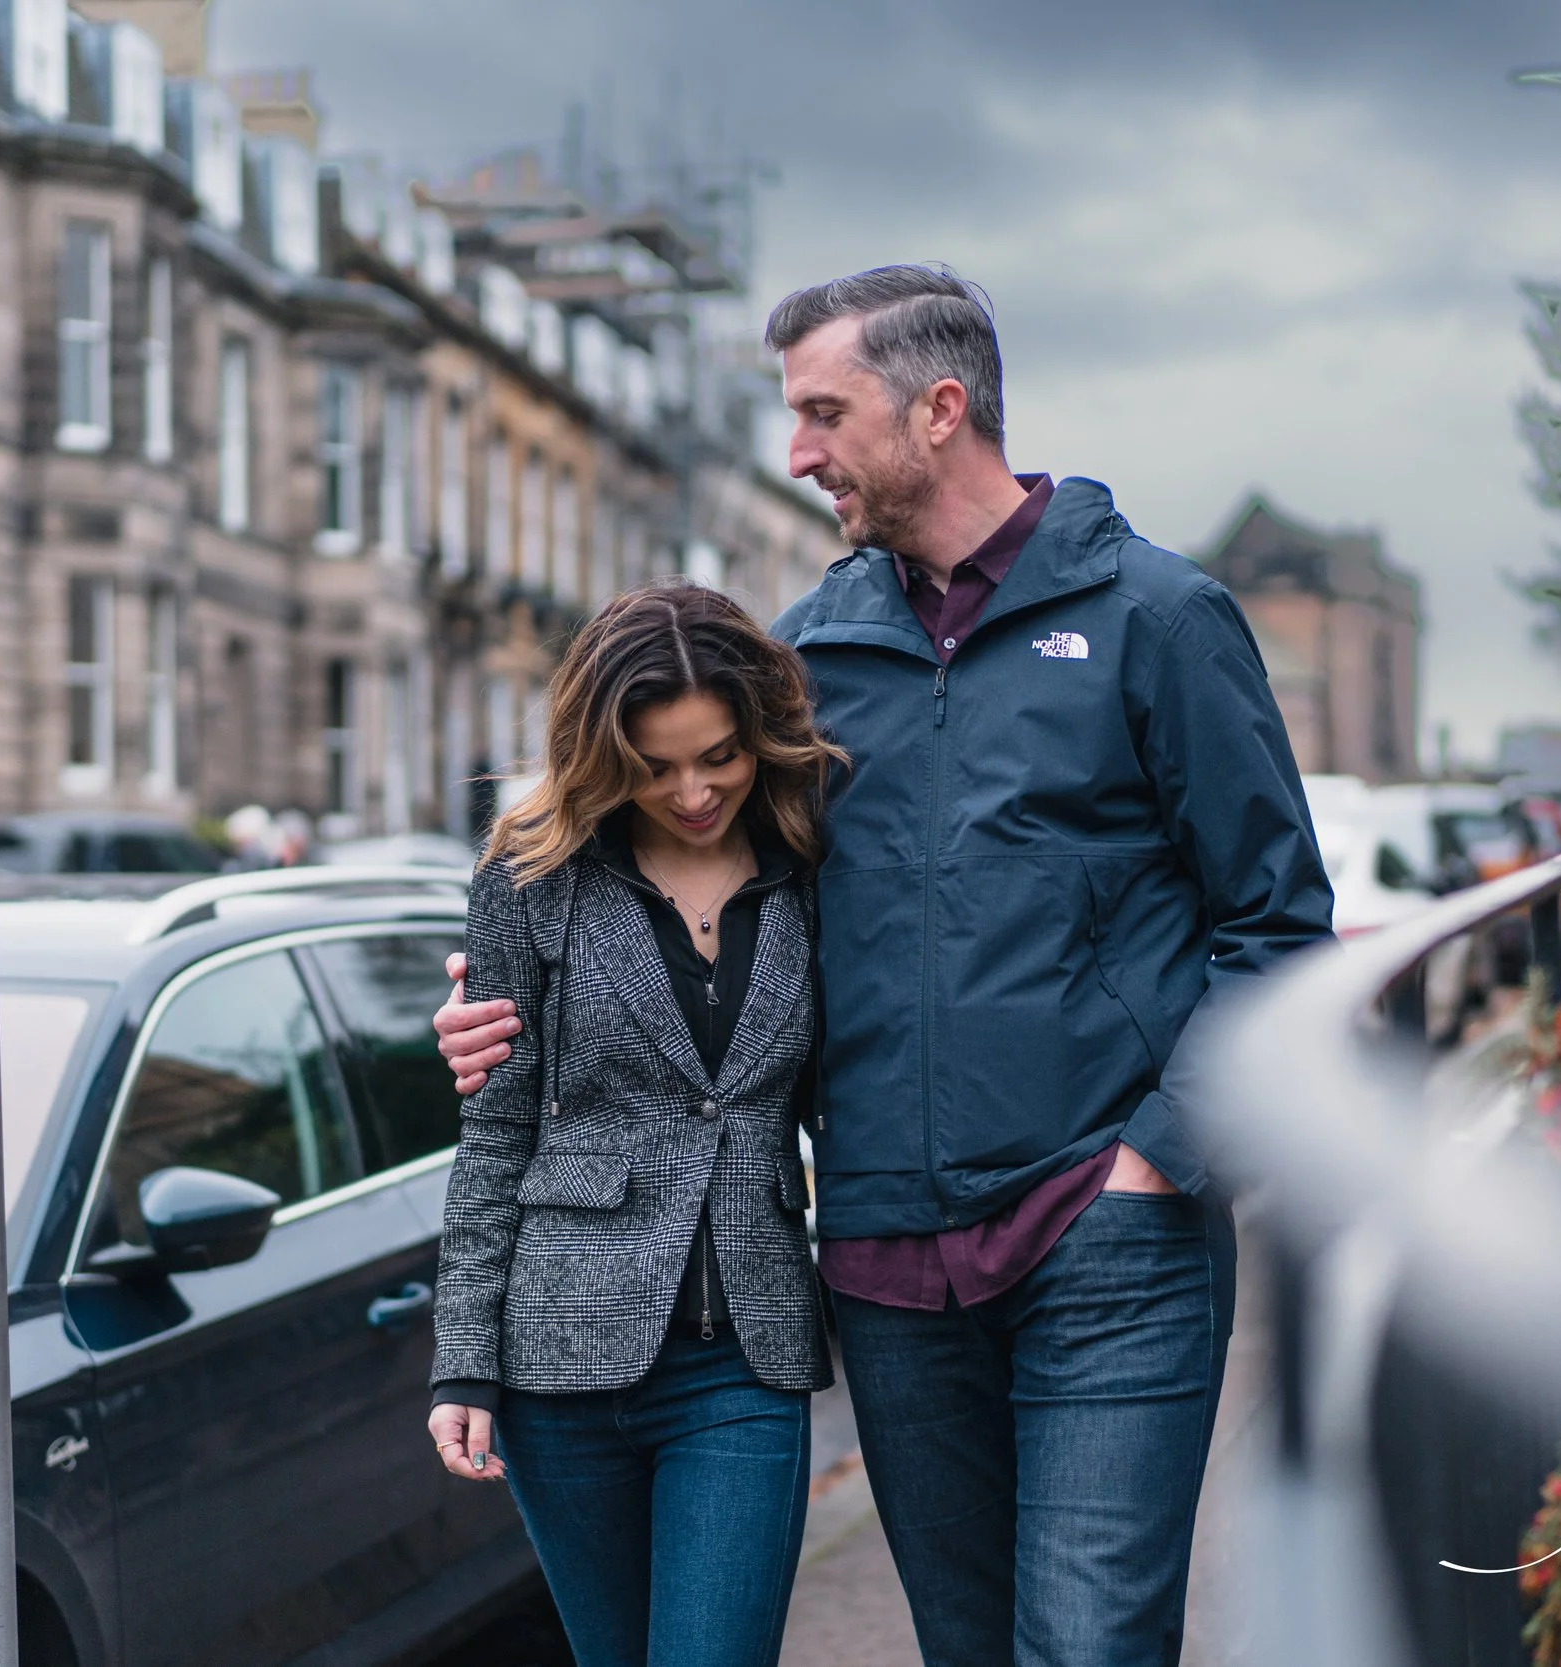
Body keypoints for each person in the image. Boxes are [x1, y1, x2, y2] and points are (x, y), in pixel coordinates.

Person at [437, 264, 1334, 1667]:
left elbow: (1279, 928)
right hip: (885, 1266)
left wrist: (1159, 1154)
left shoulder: (1157, 616)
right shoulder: (802, 661)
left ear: (938, 406)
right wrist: (500, 1009)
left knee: (1089, 1643)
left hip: (1104, 1236)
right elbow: (652, 874)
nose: (796, 454)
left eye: (820, 413)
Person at [426, 582, 846, 1667]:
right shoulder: (533, 877)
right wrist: (463, 1357)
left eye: (717, 754)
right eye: (655, 766)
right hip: (555, 1356)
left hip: (740, 1362)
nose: (694, 789)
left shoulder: (814, 865)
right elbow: (496, 1130)